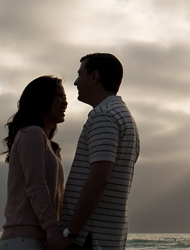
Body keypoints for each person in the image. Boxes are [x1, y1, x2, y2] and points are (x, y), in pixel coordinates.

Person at [46, 53, 140, 250]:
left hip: (87, 236)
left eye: (80, 74)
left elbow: (99, 177)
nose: (75, 82)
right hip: (106, 236)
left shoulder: (104, 116)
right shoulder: (123, 115)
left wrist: (69, 233)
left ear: (95, 77)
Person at [0, 76, 68, 250]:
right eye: (59, 96)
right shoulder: (32, 133)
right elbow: (36, 186)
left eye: (65, 97)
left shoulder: (51, 146)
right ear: (42, 98)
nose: (65, 103)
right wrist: (53, 231)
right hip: (24, 240)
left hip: (38, 239)